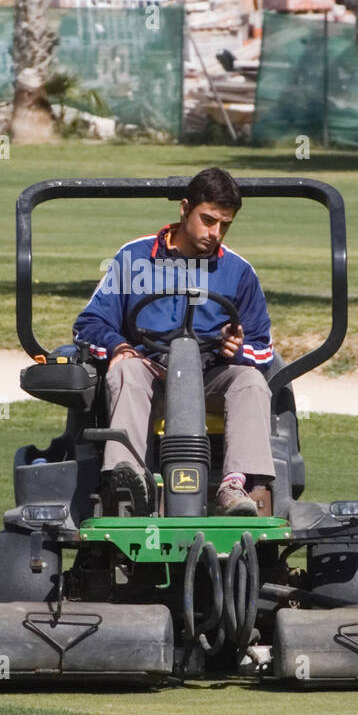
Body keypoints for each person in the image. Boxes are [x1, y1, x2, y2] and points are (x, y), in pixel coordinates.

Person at [73, 167, 275, 516]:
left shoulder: (239, 272)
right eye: (208, 220)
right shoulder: (135, 257)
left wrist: (238, 349)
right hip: (151, 373)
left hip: (209, 376)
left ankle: (235, 487)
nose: (215, 233)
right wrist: (119, 347)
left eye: (224, 225)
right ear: (185, 209)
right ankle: (128, 482)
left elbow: (263, 347)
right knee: (126, 371)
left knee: (252, 381)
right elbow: (90, 323)